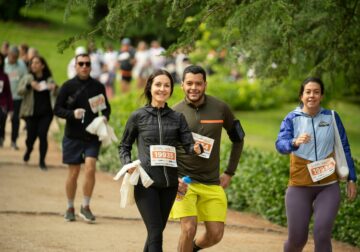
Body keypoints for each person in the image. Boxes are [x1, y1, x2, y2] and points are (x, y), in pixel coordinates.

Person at [118, 69, 203, 252]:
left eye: (166, 86)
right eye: (158, 85)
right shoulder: (138, 116)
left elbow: (188, 145)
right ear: (150, 87)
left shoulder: (177, 118)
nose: (162, 89)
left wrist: (196, 148)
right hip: (146, 182)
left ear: (171, 90)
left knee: (154, 233)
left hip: (170, 185)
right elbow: (124, 145)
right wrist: (128, 165)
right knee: (156, 233)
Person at [275, 77, 357, 252]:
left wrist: (352, 178)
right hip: (299, 186)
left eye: (316, 92)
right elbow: (280, 145)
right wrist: (294, 142)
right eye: (308, 92)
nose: (312, 95)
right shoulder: (292, 118)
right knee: (297, 240)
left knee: (322, 234)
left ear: (321, 95)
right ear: (301, 95)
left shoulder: (332, 117)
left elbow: (344, 147)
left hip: (328, 186)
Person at [170, 65, 245, 251]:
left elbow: (238, 138)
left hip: (212, 182)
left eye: (198, 83)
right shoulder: (174, 113)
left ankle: (192, 249)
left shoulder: (220, 108)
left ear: (205, 84)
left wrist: (229, 172)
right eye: (189, 83)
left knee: (215, 235)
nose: (193, 88)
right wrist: (173, 177)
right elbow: (167, 148)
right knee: (188, 228)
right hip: (184, 182)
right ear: (182, 85)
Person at [54, 53, 111, 222]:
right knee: (73, 172)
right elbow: (57, 109)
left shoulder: (98, 86)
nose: (84, 66)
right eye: (81, 64)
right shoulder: (67, 86)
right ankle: (70, 206)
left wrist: (105, 117)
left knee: (91, 167)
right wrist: (72, 114)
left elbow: (106, 108)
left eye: (87, 63)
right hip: (73, 136)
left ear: (91, 66)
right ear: (75, 66)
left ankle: (85, 206)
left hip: (92, 136)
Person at [17, 56, 57, 170]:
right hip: (31, 114)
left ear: (42, 66)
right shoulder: (28, 78)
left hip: (46, 113)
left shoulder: (49, 79)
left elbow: (56, 93)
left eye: (36, 63)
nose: (33, 65)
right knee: (30, 138)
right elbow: (19, 91)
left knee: (42, 135)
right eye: (32, 63)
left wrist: (54, 88)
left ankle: (42, 161)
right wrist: (29, 86)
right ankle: (29, 150)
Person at [4, 45, 28, 150]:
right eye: (11, 56)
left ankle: (14, 141)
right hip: (4, 98)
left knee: (15, 120)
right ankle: (1, 138)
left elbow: (25, 78)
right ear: (8, 55)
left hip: (17, 97)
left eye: (15, 57)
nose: (13, 59)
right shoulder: (3, 64)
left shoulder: (21, 65)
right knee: (2, 118)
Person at [0, 53, 13, 147]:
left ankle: (1, 137)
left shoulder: (4, 76)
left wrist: (11, 108)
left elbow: (8, 93)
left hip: (2, 104)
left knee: (2, 121)